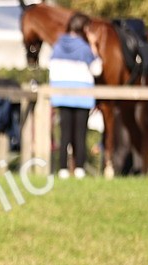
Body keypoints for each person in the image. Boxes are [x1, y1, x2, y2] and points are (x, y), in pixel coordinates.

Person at [48, 13, 103, 178]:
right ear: (83, 29)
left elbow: (52, 70)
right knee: (80, 134)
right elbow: (97, 69)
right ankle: (79, 168)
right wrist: (94, 45)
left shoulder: (57, 46)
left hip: (61, 95)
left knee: (64, 134)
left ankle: (63, 169)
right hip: (82, 95)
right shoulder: (84, 48)